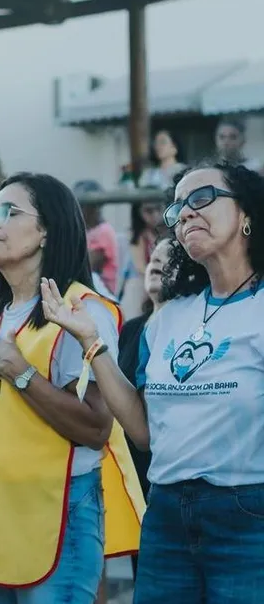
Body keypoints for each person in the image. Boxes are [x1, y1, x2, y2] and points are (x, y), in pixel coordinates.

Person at [40, 161, 264, 604]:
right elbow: (142, 431)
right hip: (165, 519)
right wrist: (90, 343)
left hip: (249, 519)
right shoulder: (169, 317)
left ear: (248, 213)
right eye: (177, 207)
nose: (186, 212)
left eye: (203, 197)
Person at [0, 173, 144, 604]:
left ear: (47, 231)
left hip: (54, 510)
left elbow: (97, 427)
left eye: (10, 212)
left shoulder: (84, 310)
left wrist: (21, 372)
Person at [116, 238, 171, 578]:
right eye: (154, 257)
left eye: (169, 258)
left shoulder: (185, 328)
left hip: (164, 462)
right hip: (132, 463)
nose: (157, 262)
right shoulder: (132, 328)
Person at [120, 199, 166, 320]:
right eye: (149, 211)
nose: (155, 215)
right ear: (138, 213)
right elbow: (140, 267)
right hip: (144, 280)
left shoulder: (169, 231)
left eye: (158, 209)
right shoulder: (138, 236)